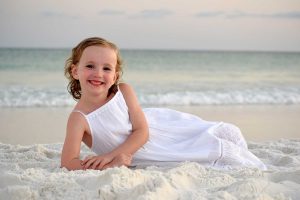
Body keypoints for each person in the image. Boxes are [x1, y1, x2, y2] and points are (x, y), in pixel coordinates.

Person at [61, 37, 267, 171]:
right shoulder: (79, 119)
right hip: (147, 153)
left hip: (157, 131)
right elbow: (68, 163)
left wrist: (111, 155)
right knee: (228, 157)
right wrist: (108, 165)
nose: (98, 73)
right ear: (74, 71)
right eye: (90, 66)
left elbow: (142, 131)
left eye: (106, 68)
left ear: (115, 76)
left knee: (231, 132)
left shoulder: (124, 91)